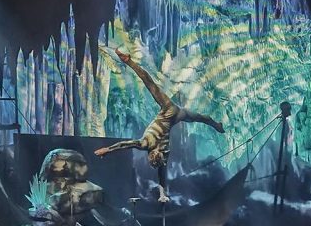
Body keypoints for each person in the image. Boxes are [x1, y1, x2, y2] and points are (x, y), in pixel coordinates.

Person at [94, 49, 224, 201]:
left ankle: (216, 125)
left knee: (198, 117)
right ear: (150, 155)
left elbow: (161, 173)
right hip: (169, 110)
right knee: (151, 85)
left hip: (175, 115)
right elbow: (126, 145)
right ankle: (129, 61)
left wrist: (163, 195)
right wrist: (107, 150)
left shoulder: (164, 152)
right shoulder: (146, 144)